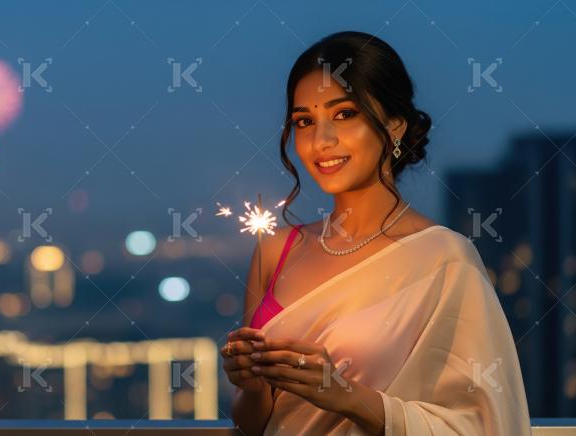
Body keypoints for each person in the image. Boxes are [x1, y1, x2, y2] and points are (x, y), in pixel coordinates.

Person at [220, 31, 531, 435]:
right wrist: (253, 386)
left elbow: (480, 423)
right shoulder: (274, 251)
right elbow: (253, 424)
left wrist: (346, 395)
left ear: (395, 125)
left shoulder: (444, 258)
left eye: (345, 114)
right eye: (304, 121)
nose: (321, 140)